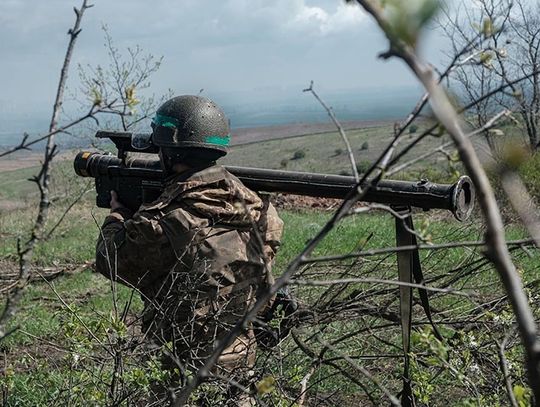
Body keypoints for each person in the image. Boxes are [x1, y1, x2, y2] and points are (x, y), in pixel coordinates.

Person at [95, 95, 284, 405]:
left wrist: (118, 215)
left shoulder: (165, 222)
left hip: (178, 368)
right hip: (239, 357)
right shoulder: (260, 209)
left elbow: (110, 260)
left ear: (168, 151)